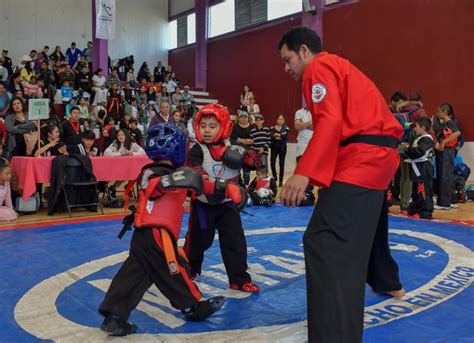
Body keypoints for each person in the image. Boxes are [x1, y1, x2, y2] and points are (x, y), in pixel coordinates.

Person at [278, 27, 405, 343]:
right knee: (368, 221)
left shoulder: (318, 68)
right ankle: (386, 278)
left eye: (288, 59)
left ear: (304, 51)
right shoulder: (340, 67)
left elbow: (331, 121)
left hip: (362, 157)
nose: (287, 68)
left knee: (325, 242)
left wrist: (303, 172)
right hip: (379, 157)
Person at [99, 123, 224, 336]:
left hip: (144, 235)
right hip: (157, 234)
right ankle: (193, 305)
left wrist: (226, 187)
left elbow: (200, 184)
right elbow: (151, 185)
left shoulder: (176, 173)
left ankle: (115, 316)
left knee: (134, 274)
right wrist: (170, 180)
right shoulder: (152, 172)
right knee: (176, 267)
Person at [184, 104, 260, 293]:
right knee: (198, 242)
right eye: (203, 126)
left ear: (224, 127)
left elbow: (257, 163)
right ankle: (189, 269)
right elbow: (196, 176)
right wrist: (227, 188)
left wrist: (246, 157)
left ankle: (239, 279)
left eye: (212, 126)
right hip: (203, 206)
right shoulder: (197, 150)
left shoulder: (232, 146)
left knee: (235, 242)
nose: (207, 130)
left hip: (227, 207)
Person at [403, 117, 434, 219]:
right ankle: (414, 209)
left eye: (416, 126)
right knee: (416, 190)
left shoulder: (427, 139)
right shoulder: (419, 138)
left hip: (423, 169)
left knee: (423, 191)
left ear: (423, 127)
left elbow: (419, 151)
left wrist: (408, 149)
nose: (415, 128)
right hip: (417, 168)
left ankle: (425, 212)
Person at [433, 103, 461, 210]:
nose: (437, 113)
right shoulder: (444, 123)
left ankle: (444, 203)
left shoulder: (450, 122)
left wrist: (444, 141)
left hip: (447, 152)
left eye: (438, 111)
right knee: (447, 175)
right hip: (445, 152)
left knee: (444, 176)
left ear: (444, 112)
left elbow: (457, 133)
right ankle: (452, 200)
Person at [270, 114, 290, 187]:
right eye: (279, 119)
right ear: (276, 120)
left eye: (282, 119)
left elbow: (285, 135)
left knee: (281, 164)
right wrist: (279, 136)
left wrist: (277, 135)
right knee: (272, 162)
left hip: (282, 148)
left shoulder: (286, 127)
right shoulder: (272, 128)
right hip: (274, 147)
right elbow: (271, 136)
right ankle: (275, 177)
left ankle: (281, 180)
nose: (280, 121)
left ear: (284, 120)